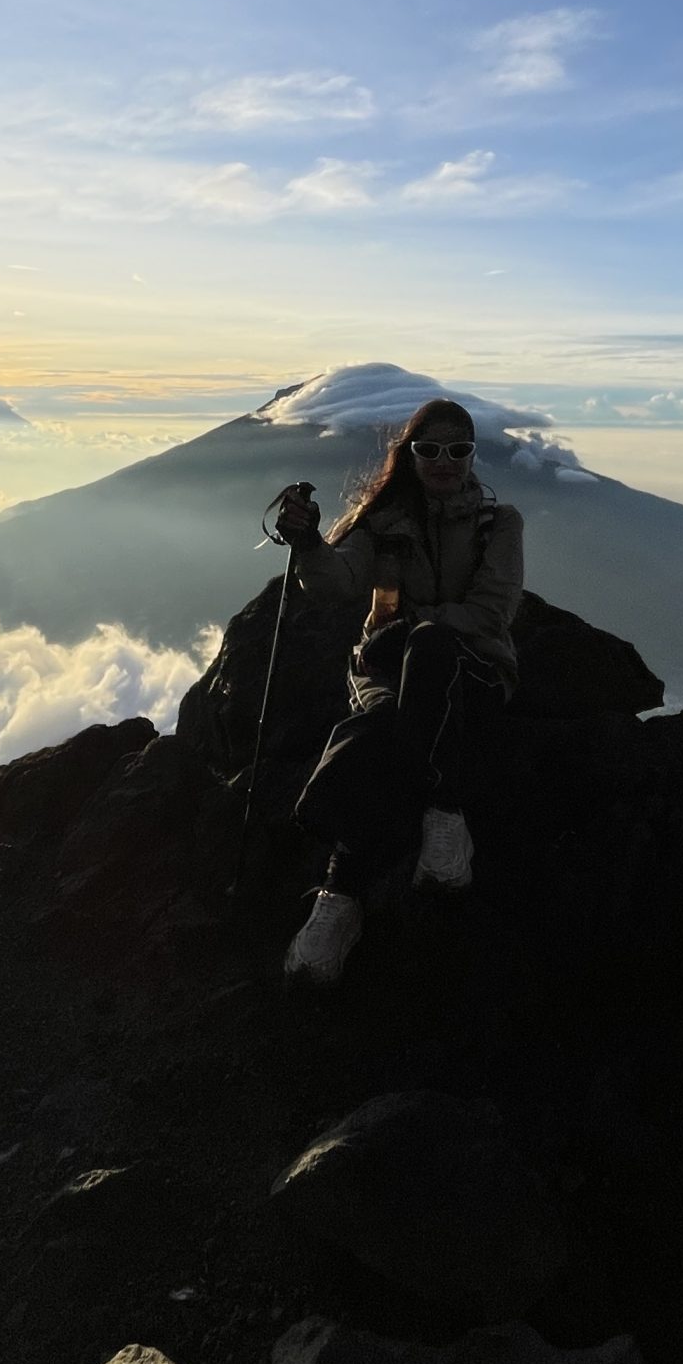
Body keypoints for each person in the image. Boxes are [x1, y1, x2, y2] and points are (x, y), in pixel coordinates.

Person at [272, 396, 524, 985]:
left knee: (429, 650)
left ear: (471, 455)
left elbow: (492, 613)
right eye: (428, 449)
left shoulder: (499, 524)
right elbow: (336, 586)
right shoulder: (383, 522)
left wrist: (415, 629)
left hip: (473, 672)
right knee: (388, 721)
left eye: (457, 450)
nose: (443, 461)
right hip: (390, 674)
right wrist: (309, 544)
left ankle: (347, 882)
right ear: (409, 455)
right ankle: (362, 884)